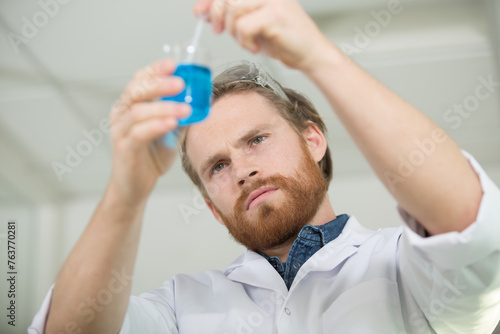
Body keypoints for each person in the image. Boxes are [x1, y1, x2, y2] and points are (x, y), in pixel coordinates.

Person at [30, 0, 500, 333]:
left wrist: (315, 54)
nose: (241, 171)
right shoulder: (179, 309)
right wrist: (125, 192)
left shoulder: (403, 267)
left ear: (313, 140)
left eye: (256, 139)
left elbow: (471, 225)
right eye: (216, 166)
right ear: (213, 210)